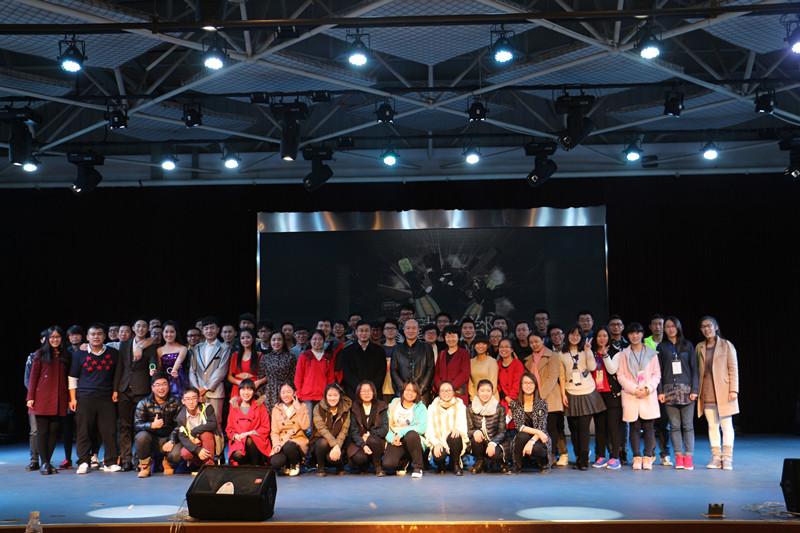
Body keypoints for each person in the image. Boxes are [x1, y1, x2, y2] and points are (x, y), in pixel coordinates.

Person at [68, 323, 121, 474]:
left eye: (99, 334)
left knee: (109, 431)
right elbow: (72, 377)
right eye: (93, 334)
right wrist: (73, 398)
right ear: (87, 337)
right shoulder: (79, 354)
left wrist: (115, 390)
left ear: (104, 336)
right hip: (84, 397)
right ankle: (83, 461)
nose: (96, 337)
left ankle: (110, 462)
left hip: (106, 398)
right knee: (83, 431)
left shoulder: (113, 353)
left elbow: (117, 374)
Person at [560, 324, 606, 470]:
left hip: (587, 391)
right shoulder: (561, 354)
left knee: (584, 429)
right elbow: (561, 376)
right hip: (570, 392)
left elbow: (592, 367)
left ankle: (584, 460)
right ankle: (578, 456)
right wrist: (563, 394)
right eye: (572, 334)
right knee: (574, 429)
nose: (575, 337)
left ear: (581, 337)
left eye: (578, 335)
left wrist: (588, 351)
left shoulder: (586, 351)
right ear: (567, 336)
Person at [696, 316, 739, 470]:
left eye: (709, 325)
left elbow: (733, 368)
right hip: (707, 391)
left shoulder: (726, 345)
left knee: (726, 426)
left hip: (724, 391)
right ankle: (716, 457)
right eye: (703, 327)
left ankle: (727, 458)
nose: (706, 329)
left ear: (716, 327)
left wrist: (734, 389)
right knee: (712, 425)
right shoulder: (699, 347)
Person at [616, 322, 661, 470]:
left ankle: (647, 456)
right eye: (631, 333)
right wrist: (635, 389)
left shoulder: (651, 353)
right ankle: (636, 456)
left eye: (637, 333)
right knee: (634, 427)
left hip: (648, 394)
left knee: (649, 427)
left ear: (642, 334)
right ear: (628, 336)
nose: (635, 336)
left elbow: (656, 374)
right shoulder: (624, 354)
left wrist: (648, 388)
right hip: (631, 395)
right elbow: (620, 375)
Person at [26, 326, 70, 475]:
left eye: (57, 337)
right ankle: (44, 463)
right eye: (52, 337)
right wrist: (30, 397)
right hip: (42, 398)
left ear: (61, 338)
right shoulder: (40, 353)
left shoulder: (65, 354)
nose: (55, 340)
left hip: (59, 398)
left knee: (54, 431)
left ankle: (47, 461)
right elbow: (33, 377)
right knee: (43, 431)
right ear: (47, 339)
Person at [657, 316, 699, 471]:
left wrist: (695, 390)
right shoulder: (662, 347)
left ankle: (688, 457)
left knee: (688, 426)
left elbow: (695, 369)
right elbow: (659, 370)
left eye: (673, 326)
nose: (670, 329)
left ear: (678, 327)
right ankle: (679, 457)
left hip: (687, 391)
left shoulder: (687, 345)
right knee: (674, 426)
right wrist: (660, 391)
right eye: (667, 326)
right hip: (669, 390)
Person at [116, 319, 158, 471]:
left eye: (144, 326)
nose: (141, 328)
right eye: (138, 326)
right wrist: (115, 389)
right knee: (124, 426)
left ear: (147, 329)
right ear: (133, 328)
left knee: (139, 426)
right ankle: (126, 459)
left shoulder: (151, 346)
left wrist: (152, 370)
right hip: (124, 389)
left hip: (142, 390)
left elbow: (153, 363)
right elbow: (120, 367)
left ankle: (138, 459)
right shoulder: (124, 344)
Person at [188, 317, 230, 459]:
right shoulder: (197, 348)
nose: (209, 331)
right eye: (206, 328)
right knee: (200, 422)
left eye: (212, 328)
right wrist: (197, 389)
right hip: (198, 392)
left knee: (216, 422)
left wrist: (206, 387)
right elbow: (192, 370)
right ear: (202, 330)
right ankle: (203, 454)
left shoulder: (224, 347)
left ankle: (218, 454)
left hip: (215, 391)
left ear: (218, 330)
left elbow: (221, 371)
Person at [524, 332, 565, 467]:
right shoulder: (528, 359)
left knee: (551, 428)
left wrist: (540, 396)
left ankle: (552, 455)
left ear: (543, 340)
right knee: (538, 428)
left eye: (536, 341)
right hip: (534, 398)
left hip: (550, 397)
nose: (534, 344)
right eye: (531, 342)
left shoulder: (553, 356)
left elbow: (552, 378)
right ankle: (540, 456)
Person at [133, 374, 180, 478]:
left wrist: (172, 440)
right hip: (151, 440)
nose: (161, 388)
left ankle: (167, 462)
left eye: (164, 384)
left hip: (169, 439)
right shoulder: (143, 403)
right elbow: (137, 425)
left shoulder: (177, 402)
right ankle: (145, 466)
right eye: (157, 385)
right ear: (152, 388)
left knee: (177, 454)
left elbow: (180, 425)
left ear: (169, 386)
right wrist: (151, 425)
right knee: (141, 437)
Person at [592, 326, 623, 470]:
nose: (602, 338)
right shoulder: (591, 352)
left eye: (605, 335)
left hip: (612, 395)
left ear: (609, 337)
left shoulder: (616, 352)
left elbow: (612, 370)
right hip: (597, 395)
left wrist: (605, 355)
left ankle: (615, 457)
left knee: (613, 427)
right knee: (600, 427)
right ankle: (601, 455)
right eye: (599, 336)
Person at [382, 382, 428, 478]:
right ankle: (405, 460)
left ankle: (418, 467)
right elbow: (385, 425)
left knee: (411, 434)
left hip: (413, 440)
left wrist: (402, 432)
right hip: (396, 438)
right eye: (408, 390)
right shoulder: (394, 404)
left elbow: (422, 427)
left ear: (417, 394)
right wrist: (391, 438)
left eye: (414, 391)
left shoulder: (420, 407)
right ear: (402, 391)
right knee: (388, 465)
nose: (410, 393)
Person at [508, 373, 551, 473]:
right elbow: (519, 426)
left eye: (531, 383)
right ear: (521, 385)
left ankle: (543, 463)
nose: (528, 386)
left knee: (537, 448)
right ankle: (517, 465)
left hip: (539, 438)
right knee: (521, 435)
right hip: (524, 437)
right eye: (525, 383)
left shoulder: (542, 403)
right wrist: (538, 432)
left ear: (535, 385)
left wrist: (532, 441)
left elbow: (542, 427)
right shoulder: (515, 404)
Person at [425, 380, 468, 475]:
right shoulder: (432, 407)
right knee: (439, 455)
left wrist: (458, 430)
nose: (446, 393)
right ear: (439, 393)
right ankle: (441, 464)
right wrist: (436, 443)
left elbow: (463, 425)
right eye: (443, 391)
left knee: (456, 436)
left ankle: (455, 464)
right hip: (438, 440)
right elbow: (429, 430)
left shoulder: (460, 405)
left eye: (448, 390)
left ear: (453, 392)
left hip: (453, 439)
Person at [644, 314, 671, 466]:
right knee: (650, 424)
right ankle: (651, 452)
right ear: (650, 327)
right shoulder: (645, 343)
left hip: (665, 388)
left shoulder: (669, 342)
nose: (658, 327)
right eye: (655, 324)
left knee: (664, 423)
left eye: (661, 324)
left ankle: (665, 453)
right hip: (650, 387)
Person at [170, 386, 217, 470]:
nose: (191, 402)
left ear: (199, 399)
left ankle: (209, 465)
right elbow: (182, 437)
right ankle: (199, 465)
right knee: (185, 453)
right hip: (193, 441)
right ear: (183, 401)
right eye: (187, 399)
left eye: (194, 398)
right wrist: (198, 450)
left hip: (208, 440)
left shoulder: (207, 408)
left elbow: (212, 424)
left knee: (206, 434)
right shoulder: (180, 417)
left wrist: (194, 431)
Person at [347, 381, 388, 475]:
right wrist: (363, 444)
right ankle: (365, 465)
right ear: (358, 393)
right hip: (359, 442)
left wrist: (370, 435)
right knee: (359, 458)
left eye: (369, 391)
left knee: (372, 440)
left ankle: (378, 467)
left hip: (377, 441)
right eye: (363, 391)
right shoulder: (354, 407)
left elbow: (385, 428)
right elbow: (353, 431)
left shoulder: (381, 406)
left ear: (374, 392)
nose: (366, 393)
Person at [226, 379, 271, 465]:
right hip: (239, 442)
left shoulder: (260, 406)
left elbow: (266, 427)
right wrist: (235, 436)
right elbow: (229, 429)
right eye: (243, 389)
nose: (246, 393)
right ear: (239, 391)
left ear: (254, 391)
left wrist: (250, 433)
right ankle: (247, 466)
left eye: (249, 389)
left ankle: (256, 465)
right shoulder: (234, 407)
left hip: (257, 442)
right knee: (237, 455)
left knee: (250, 440)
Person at [467, 380, 508, 474]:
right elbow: (469, 430)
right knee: (475, 439)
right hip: (481, 443)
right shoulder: (470, 408)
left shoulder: (499, 408)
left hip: (495, 441)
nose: (485, 394)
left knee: (495, 455)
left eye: (488, 391)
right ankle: (480, 461)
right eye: (482, 391)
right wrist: (475, 432)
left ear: (492, 392)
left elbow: (502, 432)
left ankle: (499, 462)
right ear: (477, 392)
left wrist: (492, 443)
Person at [310, 384, 351, 476]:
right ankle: (320, 468)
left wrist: (337, 446)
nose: (332, 398)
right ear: (325, 396)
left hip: (339, 442)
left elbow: (344, 431)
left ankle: (340, 467)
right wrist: (335, 445)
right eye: (330, 395)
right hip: (322, 440)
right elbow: (322, 429)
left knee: (332, 458)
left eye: (335, 395)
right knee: (322, 442)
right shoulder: (318, 408)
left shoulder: (346, 409)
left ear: (340, 396)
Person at [391, 319, 435, 404]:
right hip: (402, 393)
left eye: (414, 328)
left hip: (422, 394)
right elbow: (394, 370)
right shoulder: (397, 349)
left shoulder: (426, 347)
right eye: (408, 328)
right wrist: (404, 390)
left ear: (418, 330)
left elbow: (430, 369)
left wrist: (420, 390)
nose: (411, 330)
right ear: (404, 330)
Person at [338, 321, 386, 399]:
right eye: (361, 331)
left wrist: (371, 388)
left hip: (374, 391)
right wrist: (359, 388)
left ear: (370, 332)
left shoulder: (379, 350)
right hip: (353, 392)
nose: (364, 333)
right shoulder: (347, 351)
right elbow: (347, 373)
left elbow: (381, 372)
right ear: (356, 332)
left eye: (366, 331)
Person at [294, 330, 335, 422]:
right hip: (306, 395)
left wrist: (329, 393)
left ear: (324, 341)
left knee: (321, 423)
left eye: (320, 339)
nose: (317, 341)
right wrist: (299, 393)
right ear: (310, 341)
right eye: (314, 339)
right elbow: (298, 377)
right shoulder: (304, 356)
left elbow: (331, 378)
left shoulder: (328, 357)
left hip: (322, 395)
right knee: (308, 424)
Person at [270, 383, 310, 476]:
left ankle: (295, 464)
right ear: (280, 394)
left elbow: (305, 426)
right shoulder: (276, 409)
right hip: (282, 441)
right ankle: (287, 465)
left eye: (288, 392)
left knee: (289, 446)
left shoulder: (302, 406)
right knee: (276, 462)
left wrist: (298, 409)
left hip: (297, 441)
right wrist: (276, 445)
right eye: (283, 392)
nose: (285, 395)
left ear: (294, 393)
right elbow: (274, 432)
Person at [606, 314, 629, 464]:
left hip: (627, 387)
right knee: (611, 422)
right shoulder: (605, 344)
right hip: (609, 388)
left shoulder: (628, 345)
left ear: (623, 327)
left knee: (624, 422)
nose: (616, 327)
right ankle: (612, 450)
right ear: (608, 327)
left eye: (619, 324)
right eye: (613, 325)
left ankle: (623, 450)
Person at [258, 331, 297, 412]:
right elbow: (261, 376)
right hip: (270, 391)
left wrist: (294, 391)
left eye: (279, 339)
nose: (276, 342)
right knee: (271, 415)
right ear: (270, 342)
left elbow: (294, 376)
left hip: (286, 390)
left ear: (283, 341)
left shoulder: (290, 357)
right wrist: (261, 394)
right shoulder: (265, 358)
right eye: (274, 340)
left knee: (286, 415)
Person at [433, 325, 470, 406]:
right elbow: (436, 373)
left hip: (458, 393)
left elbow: (465, 374)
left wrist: (449, 388)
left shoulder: (464, 353)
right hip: (442, 394)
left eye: (453, 336)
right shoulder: (442, 353)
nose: (450, 339)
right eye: (448, 337)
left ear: (458, 337)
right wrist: (441, 387)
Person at [157, 321, 189, 399]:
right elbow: (159, 368)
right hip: (164, 381)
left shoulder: (183, 348)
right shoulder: (159, 350)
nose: (169, 334)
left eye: (172, 332)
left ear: (176, 333)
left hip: (179, 380)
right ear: (162, 333)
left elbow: (179, 360)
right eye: (166, 332)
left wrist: (174, 371)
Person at [227, 328, 260, 400]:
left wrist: (258, 382)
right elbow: (229, 377)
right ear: (239, 340)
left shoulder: (259, 355)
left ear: (253, 339)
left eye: (248, 337)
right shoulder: (235, 355)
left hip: (252, 388)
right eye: (242, 338)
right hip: (237, 388)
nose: (245, 340)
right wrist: (239, 382)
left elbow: (267, 376)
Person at [497, 338, 525, 412]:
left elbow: (517, 384)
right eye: (501, 347)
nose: (503, 349)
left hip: (515, 401)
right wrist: (505, 398)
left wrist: (510, 402)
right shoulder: (497, 364)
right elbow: (497, 384)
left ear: (512, 349)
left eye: (506, 347)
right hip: (501, 400)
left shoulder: (518, 364)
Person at [468, 335, 498, 400]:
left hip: (491, 398)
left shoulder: (492, 361)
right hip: (475, 398)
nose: (480, 346)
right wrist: (473, 397)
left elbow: (493, 383)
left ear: (487, 346)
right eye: (478, 343)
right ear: (474, 345)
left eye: (484, 344)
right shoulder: (471, 362)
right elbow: (470, 382)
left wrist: (485, 397)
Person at [381, 320, 399, 400]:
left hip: (398, 387)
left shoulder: (402, 349)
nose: (390, 331)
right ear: (383, 331)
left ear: (397, 331)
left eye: (393, 328)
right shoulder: (378, 349)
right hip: (381, 387)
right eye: (387, 328)